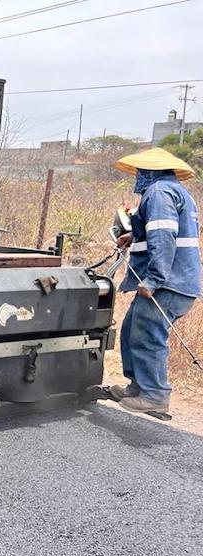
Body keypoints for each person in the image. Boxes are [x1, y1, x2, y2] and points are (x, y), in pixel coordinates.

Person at [110, 148, 200, 414]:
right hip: (177, 281)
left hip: (168, 283)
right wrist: (133, 237)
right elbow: (160, 231)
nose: (137, 177)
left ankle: (155, 394)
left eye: (140, 172)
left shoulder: (159, 192)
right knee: (132, 330)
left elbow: (164, 238)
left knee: (148, 336)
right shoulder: (174, 190)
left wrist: (153, 280)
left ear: (150, 172)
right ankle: (138, 387)